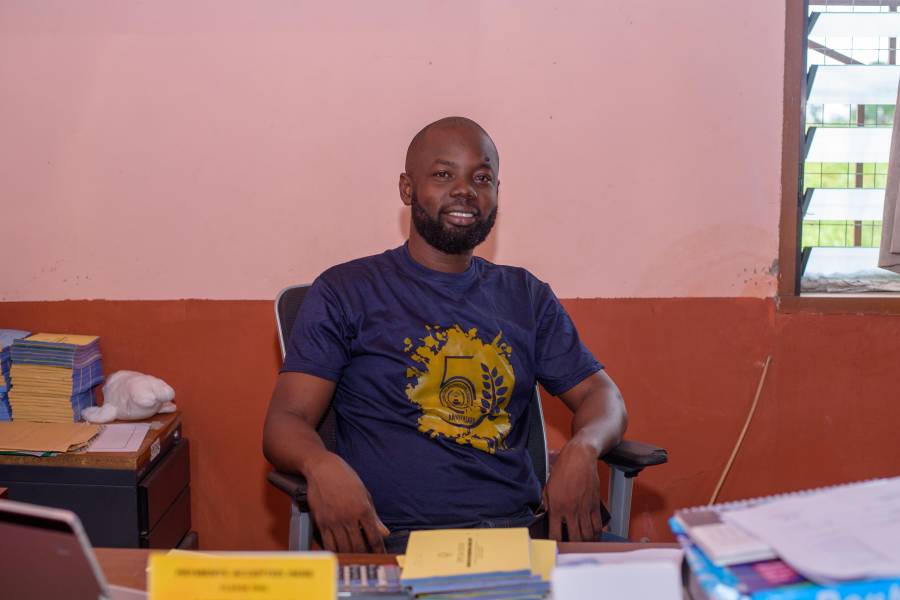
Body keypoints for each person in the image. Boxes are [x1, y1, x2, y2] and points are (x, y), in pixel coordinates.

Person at [263, 116, 627, 554]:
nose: (465, 190)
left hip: (518, 537)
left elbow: (603, 397)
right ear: (406, 188)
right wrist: (320, 464)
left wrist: (583, 449)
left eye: (482, 177)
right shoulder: (347, 291)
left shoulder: (525, 295)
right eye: (442, 174)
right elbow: (286, 420)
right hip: (396, 542)